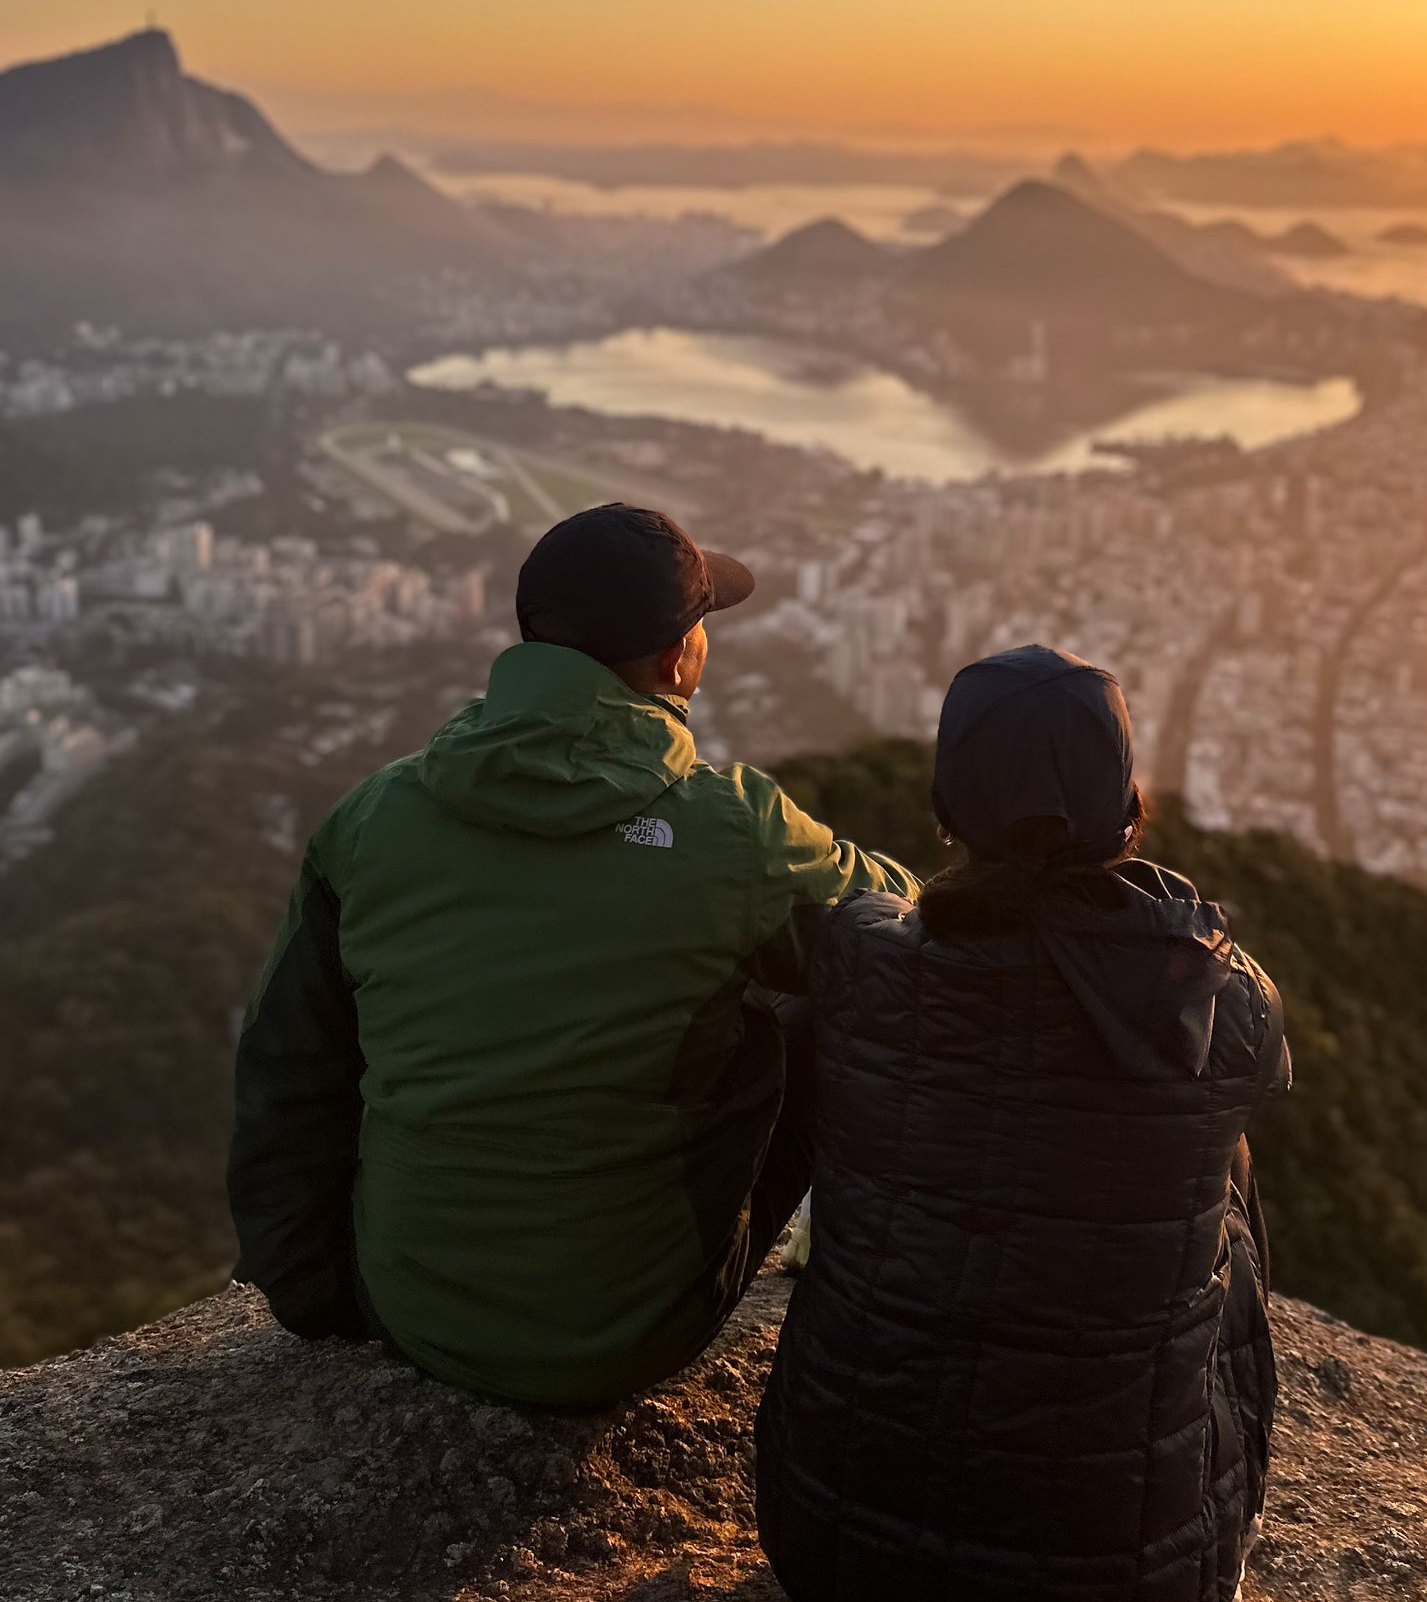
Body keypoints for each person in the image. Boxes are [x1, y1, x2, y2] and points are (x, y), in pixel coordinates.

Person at [228, 502, 915, 1408]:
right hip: (635, 1331)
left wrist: (315, 1291)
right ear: (679, 656)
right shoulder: (732, 830)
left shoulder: (372, 819)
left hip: (410, 1311)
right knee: (821, 1000)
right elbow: (898, 921)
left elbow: (287, 1070)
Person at [755, 643, 1287, 1602]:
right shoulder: (1219, 1002)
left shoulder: (860, 955)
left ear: (947, 808)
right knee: (1212, 1164)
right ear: (1124, 808)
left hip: (831, 1550)